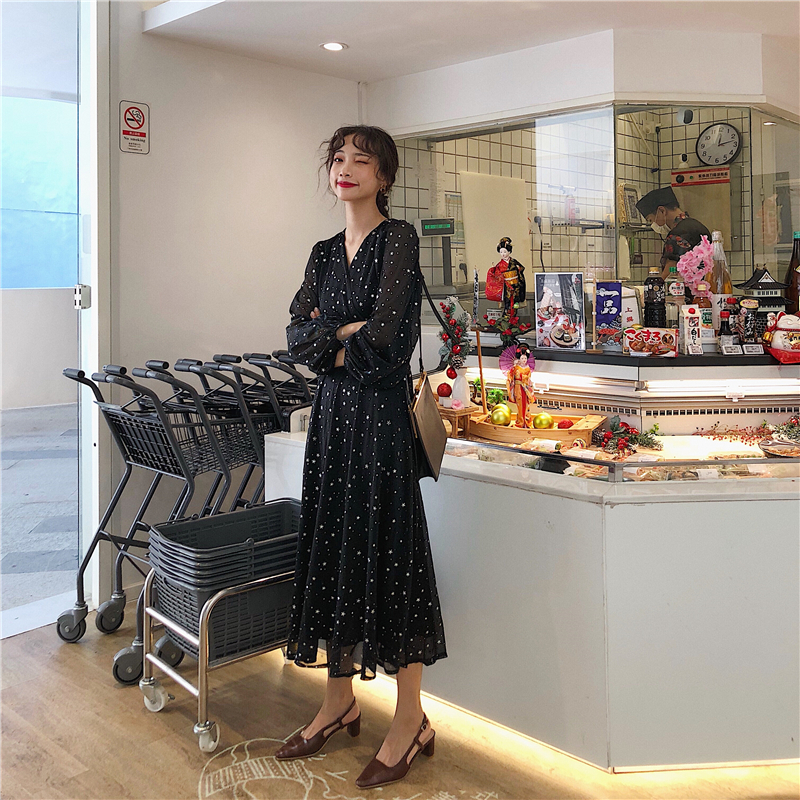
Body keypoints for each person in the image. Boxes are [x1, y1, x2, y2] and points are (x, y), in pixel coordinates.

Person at [278, 125, 447, 790]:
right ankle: (338, 702)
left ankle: (410, 719)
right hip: (332, 423)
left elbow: (388, 340)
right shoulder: (323, 252)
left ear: (384, 176)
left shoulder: (398, 238)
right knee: (334, 551)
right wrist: (339, 335)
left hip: (379, 423)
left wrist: (339, 338)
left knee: (391, 556)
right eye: (338, 158)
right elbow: (297, 336)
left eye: (361, 159)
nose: (345, 168)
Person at [636, 186, 712, 284]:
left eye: (651, 220)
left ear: (662, 211)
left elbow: (670, 272)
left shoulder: (676, 235)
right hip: (706, 289)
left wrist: (655, 287)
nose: (652, 225)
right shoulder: (697, 226)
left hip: (686, 292)